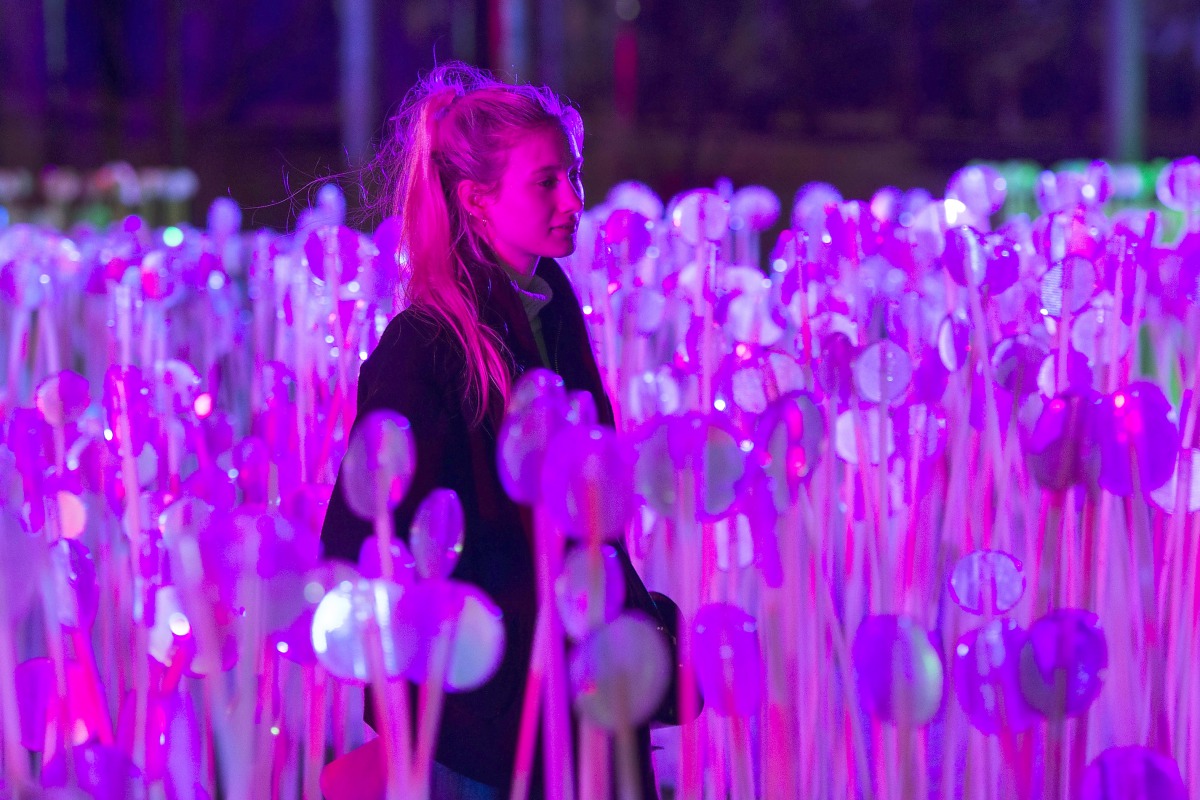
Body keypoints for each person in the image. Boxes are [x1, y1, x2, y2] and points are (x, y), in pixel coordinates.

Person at [319, 63, 677, 799]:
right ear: (478, 201)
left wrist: (645, 627)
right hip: (485, 733)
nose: (574, 201)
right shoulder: (425, 349)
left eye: (574, 175)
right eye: (545, 182)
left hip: (579, 704)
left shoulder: (553, 314)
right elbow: (367, 541)